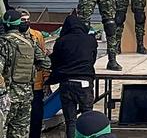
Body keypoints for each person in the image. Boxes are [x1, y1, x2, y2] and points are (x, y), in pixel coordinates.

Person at [0, 10, 51, 138]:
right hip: (26, 96)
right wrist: (32, 67)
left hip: (6, 97)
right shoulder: (30, 42)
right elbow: (47, 64)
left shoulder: (3, 43)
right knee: (20, 132)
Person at [48, 13, 98, 138]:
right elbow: (92, 59)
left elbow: (55, 62)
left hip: (66, 83)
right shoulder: (90, 40)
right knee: (87, 117)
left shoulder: (61, 41)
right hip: (84, 83)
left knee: (70, 121)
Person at [15, 9, 50, 138]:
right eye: (23, 20)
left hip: (36, 83)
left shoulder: (36, 35)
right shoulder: (12, 38)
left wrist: (46, 79)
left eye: (28, 20)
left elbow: (43, 58)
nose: (26, 23)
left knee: (36, 116)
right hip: (18, 84)